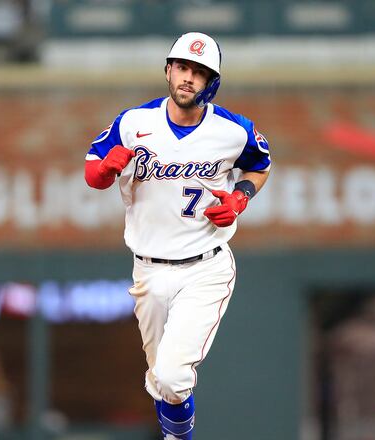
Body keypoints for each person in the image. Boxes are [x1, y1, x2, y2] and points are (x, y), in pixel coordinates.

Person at [84, 32, 271, 439]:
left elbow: (260, 165)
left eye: (199, 72)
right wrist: (104, 171)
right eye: (183, 67)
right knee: (160, 381)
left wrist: (240, 198)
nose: (188, 78)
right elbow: (92, 171)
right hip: (148, 270)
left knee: (171, 376)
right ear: (169, 70)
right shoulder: (134, 122)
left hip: (205, 266)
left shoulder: (233, 130)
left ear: (211, 82)